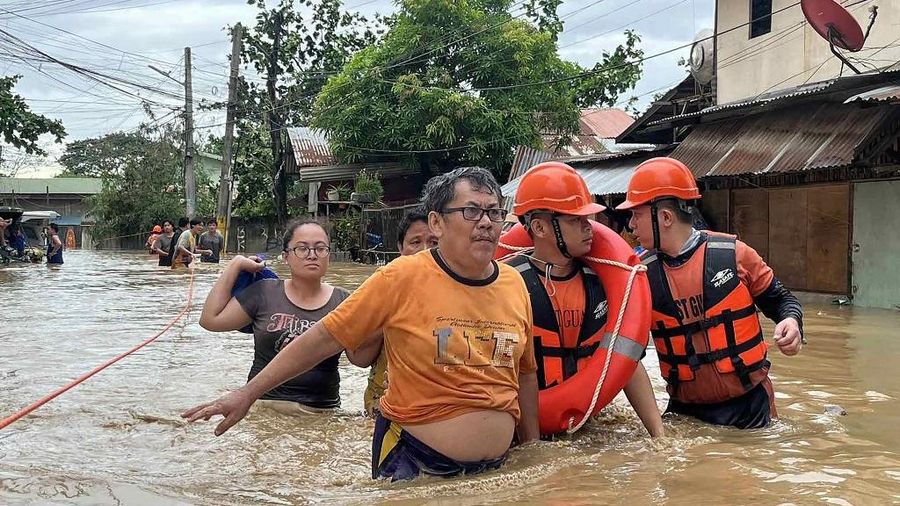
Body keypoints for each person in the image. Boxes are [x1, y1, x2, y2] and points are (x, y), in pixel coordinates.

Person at [183, 166, 540, 482]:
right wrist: (249, 393)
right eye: (471, 211)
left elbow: (524, 374)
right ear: (437, 222)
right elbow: (323, 337)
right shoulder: (401, 276)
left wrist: (535, 448)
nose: (486, 222)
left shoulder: (514, 285)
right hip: (414, 464)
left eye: (494, 211)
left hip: (497, 469)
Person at [615, 157, 804, 429]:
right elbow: (629, 358)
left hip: (750, 408)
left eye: (636, 215)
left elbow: (782, 300)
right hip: (684, 413)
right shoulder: (640, 278)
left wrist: (792, 322)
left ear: (665, 217)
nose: (630, 225)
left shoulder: (736, 255)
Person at [508, 162, 664, 438]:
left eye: (587, 218)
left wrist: (659, 436)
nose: (589, 227)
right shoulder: (508, 284)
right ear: (540, 228)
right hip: (527, 429)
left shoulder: (603, 282)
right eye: (575, 220)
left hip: (588, 423)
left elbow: (626, 362)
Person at [196, 219, 360, 411]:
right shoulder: (264, 292)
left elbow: (360, 360)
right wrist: (236, 264)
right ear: (285, 257)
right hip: (261, 406)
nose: (312, 255)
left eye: (320, 248)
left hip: (321, 411)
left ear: (328, 255)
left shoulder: (345, 301)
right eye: (302, 248)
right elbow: (210, 320)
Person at [362, 206, 438, 416]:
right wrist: (389, 319)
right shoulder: (385, 286)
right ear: (400, 248)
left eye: (433, 243)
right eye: (415, 243)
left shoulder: (460, 293)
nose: (424, 250)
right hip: (380, 405)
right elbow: (358, 357)